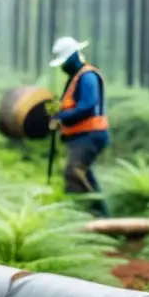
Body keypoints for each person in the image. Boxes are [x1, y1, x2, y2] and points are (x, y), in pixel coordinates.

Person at [47, 36, 111, 216]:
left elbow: (87, 106)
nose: (62, 66)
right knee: (84, 174)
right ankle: (98, 215)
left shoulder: (87, 76)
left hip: (91, 135)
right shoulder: (75, 78)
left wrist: (62, 117)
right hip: (80, 136)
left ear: (74, 56)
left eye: (64, 61)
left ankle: (96, 216)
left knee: (73, 172)